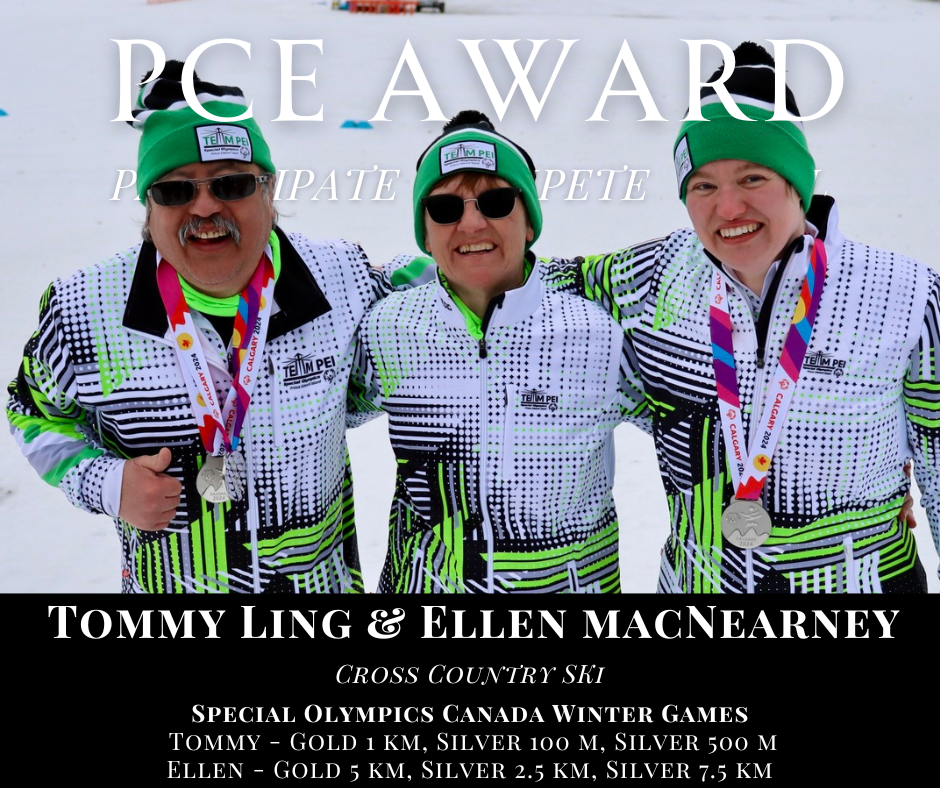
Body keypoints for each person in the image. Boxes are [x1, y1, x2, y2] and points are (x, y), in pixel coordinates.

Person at [543, 41, 940, 592]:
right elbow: (516, 276)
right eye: (704, 185)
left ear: (796, 183)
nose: (728, 209)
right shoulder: (647, 277)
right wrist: (413, 274)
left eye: (752, 178)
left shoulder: (903, 294)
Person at [6, 62, 387, 593]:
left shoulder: (343, 280)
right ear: (148, 204)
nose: (205, 206)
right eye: (176, 190)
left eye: (231, 183)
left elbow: (456, 287)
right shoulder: (83, 308)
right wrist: (106, 482)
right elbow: (31, 414)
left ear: (269, 191)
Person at [351, 111, 650, 593]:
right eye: (445, 210)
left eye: (495, 200)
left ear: (529, 221)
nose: (471, 222)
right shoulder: (389, 327)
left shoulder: (597, 333)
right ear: (425, 235)